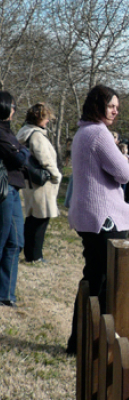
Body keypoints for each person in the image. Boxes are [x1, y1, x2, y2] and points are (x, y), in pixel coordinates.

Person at [66, 85, 129, 354]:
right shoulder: (98, 133)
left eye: (117, 106)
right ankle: (89, 344)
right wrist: (126, 158)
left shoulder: (83, 131)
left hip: (91, 217)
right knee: (101, 283)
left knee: (93, 280)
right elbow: (123, 173)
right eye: (111, 105)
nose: (116, 110)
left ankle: (80, 342)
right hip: (104, 218)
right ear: (97, 106)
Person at [16, 103, 62, 263]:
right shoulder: (36, 135)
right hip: (41, 184)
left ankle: (30, 253)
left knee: (32, 219)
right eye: (46, 117)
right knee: (40, 220)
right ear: (39, 118)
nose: (48, 120)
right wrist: (57, 176)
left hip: (30, 182)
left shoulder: (24, 132)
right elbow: (46, 160)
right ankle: (35, 256)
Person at [0, 92, 29, 307]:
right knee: (3, 241)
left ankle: (6, 294)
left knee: (16, 241)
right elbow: (20, 157)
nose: (14, 110)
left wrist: (21, 151)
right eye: (12, 106)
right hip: (4, 190)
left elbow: (22, 154)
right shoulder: (1, 134)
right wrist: (21, 151)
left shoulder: (8, 133)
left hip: (13, 189)